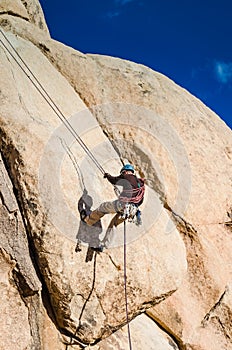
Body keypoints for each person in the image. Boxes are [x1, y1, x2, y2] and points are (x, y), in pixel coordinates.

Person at [80, 164, 145, 228]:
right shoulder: (141, 183)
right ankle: (108, 239)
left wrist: (108, 176)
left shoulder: (126, 176)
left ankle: (88, 220)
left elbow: (114, 180)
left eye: (123, 173)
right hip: (132, 211)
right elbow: (141, 200)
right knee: (114, 224)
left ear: (125, 171)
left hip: (123, 205)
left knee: (103, 207)